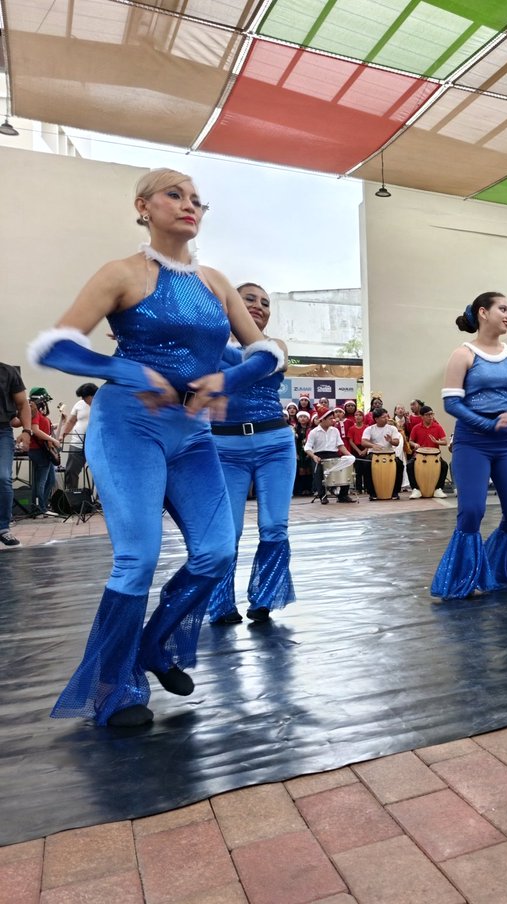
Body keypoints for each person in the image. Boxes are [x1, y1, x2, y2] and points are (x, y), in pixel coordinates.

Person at [26, 167, 284, 726]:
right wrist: (132, 370)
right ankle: (115, 687)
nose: (190, 205)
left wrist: (227, 380)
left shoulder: (215, 281)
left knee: (216, 552)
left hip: (191, 435)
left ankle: (153, 646)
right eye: (175, 194)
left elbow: (266, 353)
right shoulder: (121, 273)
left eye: (197, 199)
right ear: (143, 207)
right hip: (129, 427)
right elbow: (54, 347)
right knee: (138, 558)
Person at [432, 292, 507, 599]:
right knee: (472, 511)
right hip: (472, 442)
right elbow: (451, 402)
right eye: (502, 309)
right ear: (483, 312)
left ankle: (498, 569)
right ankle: (462, 578)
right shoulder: (463, 354)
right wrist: (488, 424)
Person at [206, 282, 297, 626]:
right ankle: (221, 604)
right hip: (225, 448)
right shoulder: (207, 345)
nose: (259, 306)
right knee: (227, 532)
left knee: (274, 525)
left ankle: (265, 597)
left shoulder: (275, 347)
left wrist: (193, 342)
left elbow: (259, 363)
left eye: (265, 302)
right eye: (249, 300)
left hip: (275, 443)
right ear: (230, 303)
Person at [1, 360, 32, 547]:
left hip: (2, 431)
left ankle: (3, 528)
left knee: (3, 477)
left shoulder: (8, 372)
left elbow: (22, 404)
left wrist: (27, 431)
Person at [305, 408, 354, 503]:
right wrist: (314, 456)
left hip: (333, 455)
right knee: (318, 472)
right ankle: (322, 496)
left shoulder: (335, 430)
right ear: (322, 419)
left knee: (345, 467)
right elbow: (307, 447)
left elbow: (340, 445)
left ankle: (343, 495)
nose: (333, 420)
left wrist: (349, 455)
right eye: (330, 419)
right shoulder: (314, 432)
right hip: (319, 456)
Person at [25, 388, 60, 517]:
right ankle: (39, 509)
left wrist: (63, 420)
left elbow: (46, 428)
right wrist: (52, 440)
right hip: (38, 451)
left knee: (50, 480)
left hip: (43, 451)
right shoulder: (34, 412)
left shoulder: (39, 414)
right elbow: (35, 429)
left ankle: (43, 506)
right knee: (41, 481)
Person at [59, 382, 98, 492]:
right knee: (71, 470)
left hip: (96, 444)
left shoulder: (103, 405)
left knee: (99, 472)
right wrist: (62, 434)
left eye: (85, 397)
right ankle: (71, 497)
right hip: (77, 442)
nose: (83, 399)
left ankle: (97, 499)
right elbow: (71, 421)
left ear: (93, 395)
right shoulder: (79, 404)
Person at [406, 405, 449, 498]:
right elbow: (410, 441)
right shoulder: (416, 427)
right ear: (422, 416)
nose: (431, 417)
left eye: (432, 414)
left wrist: (436, 442)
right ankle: (415, 489)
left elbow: (445, 442)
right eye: (428, 415)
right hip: (419, 454)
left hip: (434, 455)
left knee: (444, 465)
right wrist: (415, 444)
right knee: (409, 465)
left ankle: (438, 489)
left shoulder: (437, 427)